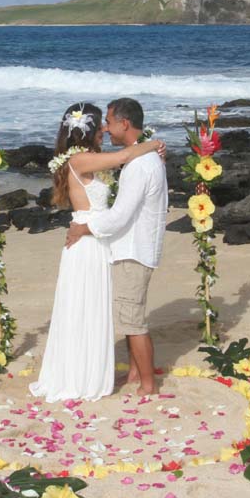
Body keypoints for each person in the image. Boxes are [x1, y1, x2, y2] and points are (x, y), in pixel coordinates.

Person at [29, 102, 164, 402]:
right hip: (88, 239)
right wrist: (153, 144)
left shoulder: (91, 160)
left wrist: (150, 154)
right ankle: (81, 375)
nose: (104, 129)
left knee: (95, 308)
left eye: (108, 123)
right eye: (101, 124)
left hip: (99, 238)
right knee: (84, 308)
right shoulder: (80, 160)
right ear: (88, 130)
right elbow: (127, 155)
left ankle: (106, 371)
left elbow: (125, 163)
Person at [65, 98, 168, 396]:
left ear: (124, 123)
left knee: (133, 322)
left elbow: (120, 216)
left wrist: (84, 227)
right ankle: (136, 374)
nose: (106, 127)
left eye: (109, 121)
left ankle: (148, 386)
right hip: (137, 247)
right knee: (129, 316)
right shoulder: (145, 159)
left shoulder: (139, 165)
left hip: (133, 250)